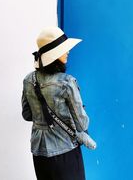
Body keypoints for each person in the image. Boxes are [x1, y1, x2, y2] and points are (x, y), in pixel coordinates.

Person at [21, 26, 90, 180]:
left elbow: (26, 115)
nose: (68, 52)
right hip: (65, 151)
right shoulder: (67, 82)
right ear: (54, 55)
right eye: (63, 49)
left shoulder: (28, 80)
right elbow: (82, 124)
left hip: (39, 152)